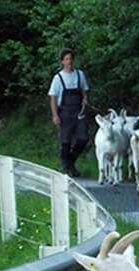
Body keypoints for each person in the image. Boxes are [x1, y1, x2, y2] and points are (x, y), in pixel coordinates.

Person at [48, 47, 90, 178]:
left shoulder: (79, 74)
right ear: (62, 62)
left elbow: (84, 90)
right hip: (64, 112)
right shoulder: (58, 78)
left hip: (79, 111)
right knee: (65, 141)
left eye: (71, 59)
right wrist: (55, 115)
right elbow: (53, 98)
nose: (69, 61)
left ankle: (70, 161)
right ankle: (66, 167)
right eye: (66, 59)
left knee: (83, 138)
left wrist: (85, 98)